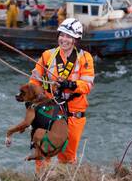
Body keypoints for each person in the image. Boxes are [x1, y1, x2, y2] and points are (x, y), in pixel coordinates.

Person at [30, 18, 95, 171]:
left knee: (67, 156)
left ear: (75, 40)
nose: (64, 39)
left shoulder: (85, 58)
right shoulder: (47, 56)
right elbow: (34, 80)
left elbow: (87, 85)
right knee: (42, 150)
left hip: (73, 114)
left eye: (68, 36)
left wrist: (71, 85)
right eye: (62, 35)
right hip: (49, 110)